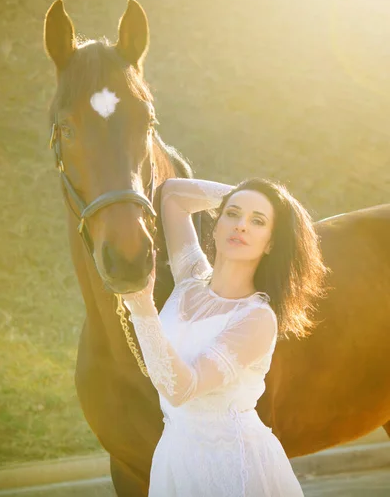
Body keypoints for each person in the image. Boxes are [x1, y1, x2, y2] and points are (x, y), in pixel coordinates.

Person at [122, 177, 327, 497]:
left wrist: (142, 307)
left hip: (232, 468)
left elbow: (181, 389)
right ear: (215, 226)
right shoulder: (189, 277)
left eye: (257, 222)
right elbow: (173, 194)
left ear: (271, 243)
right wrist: (241, 198)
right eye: (232, 215)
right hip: (175, 458)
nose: (241, 226)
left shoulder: (256, 319)